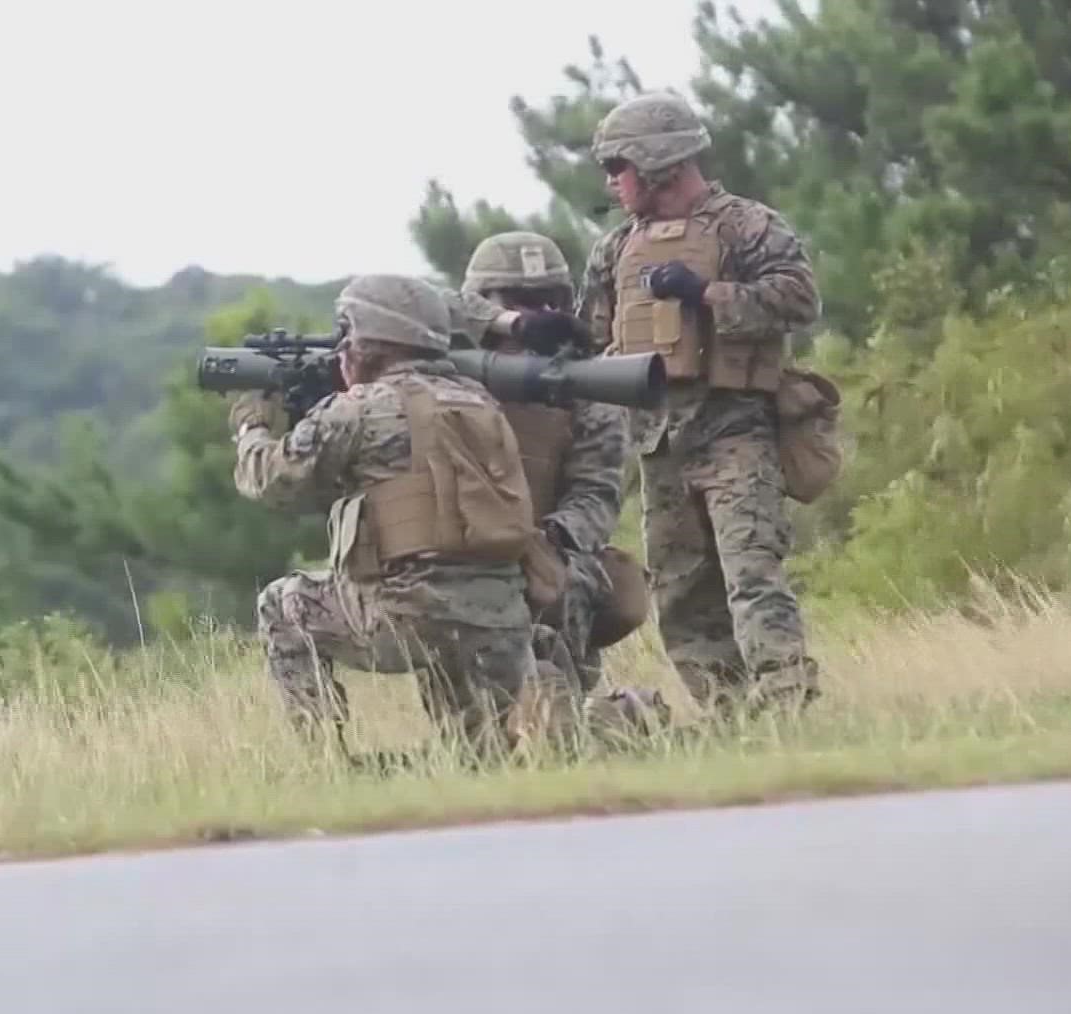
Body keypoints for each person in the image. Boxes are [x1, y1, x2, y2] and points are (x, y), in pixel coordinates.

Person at [577, 87, 823, 715]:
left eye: (618, 166)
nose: (613, 183)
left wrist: (706, 295)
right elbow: (595, 339)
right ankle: (731, 716)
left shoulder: (747, 225)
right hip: (659, 443)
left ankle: (788, 710)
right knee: (682, 595)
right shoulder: (615, 249)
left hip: (735, 430)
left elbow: (799, 300)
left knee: (752, 577)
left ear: (658, 162)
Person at [229, 273, 541, 761]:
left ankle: (323, 762)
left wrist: (251, 426)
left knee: (278, 604)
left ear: (367, 341)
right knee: (477, 758)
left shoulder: (360, 409)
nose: (341, 351)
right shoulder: (481, 402)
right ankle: (480, 756)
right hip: (502, 618)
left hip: (408, 617)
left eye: (347, 337)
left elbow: (273, 482)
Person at [457, 231, 641, 701]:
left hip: (545, 550)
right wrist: (510, 324)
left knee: (571, 584)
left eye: (548, 303)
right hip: (455, 552)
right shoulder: (445, 367)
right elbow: (415, 303)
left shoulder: (587, 388)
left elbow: (596, 494)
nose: (538, 314)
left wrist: (546, 541)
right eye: (518, 301)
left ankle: (577, 708)